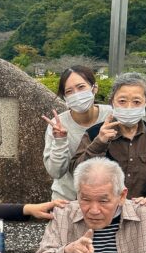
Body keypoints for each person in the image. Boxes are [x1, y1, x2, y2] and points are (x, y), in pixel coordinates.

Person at [73, 72, 146, 206]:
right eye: (122, 101)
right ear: (112, 102)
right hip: (101, 213)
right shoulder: (95, 133)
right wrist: (99, 142)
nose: (129, 107)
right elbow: (76, 171)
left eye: (136, 102)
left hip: (142, 213)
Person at [41, 66, 112, 201]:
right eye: (69, 91)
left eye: (81, 87)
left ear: (94, 88)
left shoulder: (111, 116)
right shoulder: (57, 125)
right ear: (65, 98)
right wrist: (60, 141)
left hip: (107, 202)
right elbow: (56, 172)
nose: (76, 95)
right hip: (67, 200)